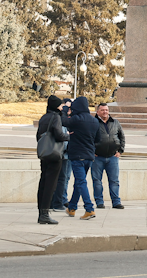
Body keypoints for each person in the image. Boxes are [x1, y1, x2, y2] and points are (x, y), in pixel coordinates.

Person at [64, 97, 102, 220]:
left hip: (77, 155)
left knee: (81, 182)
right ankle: (72, 207)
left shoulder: (77, 119)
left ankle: (89, 209)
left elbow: (63, 121)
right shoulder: (94, 121)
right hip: (89, 156)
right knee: (79, 182)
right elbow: (98, 139)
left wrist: (65, 108)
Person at [35, 95, 70, 225]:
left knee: (43, 182)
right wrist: (67, 136)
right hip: (55, 154)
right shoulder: (56, 117)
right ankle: (45, 214)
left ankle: (41, 212)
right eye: (61, 105)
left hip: (45, 153)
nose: (62, 107)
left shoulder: (44, 117)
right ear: (56, 106)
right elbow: (58, 134)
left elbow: (38, 135)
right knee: (51, 184)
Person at [92, 103, 125, 209]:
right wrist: (91, 151)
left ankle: (116, 202)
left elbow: (122, 137)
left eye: (106, 110)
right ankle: (99, 202)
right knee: (97, 181)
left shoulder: (115, 123)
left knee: (114, 181)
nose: (105, 112)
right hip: (97, 158)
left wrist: (120, 151)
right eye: (102, 110)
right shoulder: (93, 123)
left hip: (112, 157)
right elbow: (88, 138)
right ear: (97, 112)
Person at [49, 98, 73, 211]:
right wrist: (69, 136)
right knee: (62, 179)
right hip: (62, 153)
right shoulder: (58, 119)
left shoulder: (51, 117)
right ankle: (58, 202)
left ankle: (57, 201)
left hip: (61, 153)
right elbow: (60, 135)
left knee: (63, 178)